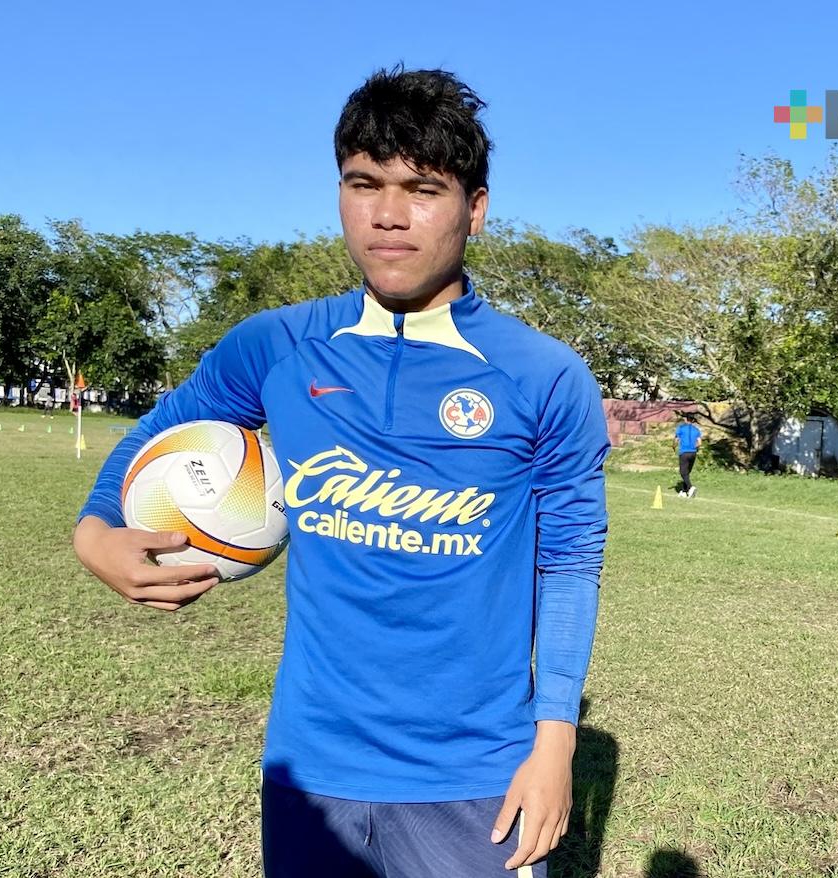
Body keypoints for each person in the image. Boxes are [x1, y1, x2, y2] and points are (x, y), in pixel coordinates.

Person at [73, 67, 609, 878]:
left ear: (477, 207)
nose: (388, 214)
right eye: (364, 183)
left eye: (421, 188)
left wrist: (556, 742)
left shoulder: (543, 376)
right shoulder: (277, 345)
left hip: (472, 775)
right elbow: (160, 429)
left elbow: (568, 562)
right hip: (311, 767)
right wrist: (93, 532)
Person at [674, 412, 702, 497]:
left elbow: (676, 439)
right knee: (687, 472)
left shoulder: (681, 428)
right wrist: (694, 447)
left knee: (683, 472)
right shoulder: (696, 430)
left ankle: (690, 487)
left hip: (684, 452)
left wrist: (673, 446)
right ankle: (684, 491)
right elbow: (699, 443)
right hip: (693, 452)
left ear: (686, 419)